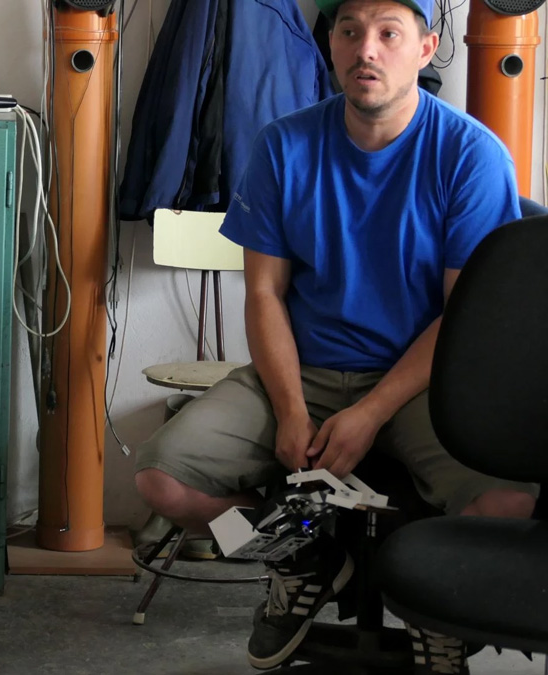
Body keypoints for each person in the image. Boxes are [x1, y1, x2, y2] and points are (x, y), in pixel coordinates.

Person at [132, 0, 540, 673]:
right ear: (330, 45)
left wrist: (370, 412)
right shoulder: (283, 145)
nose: (366, 49)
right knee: (163, 482)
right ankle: (302, 556)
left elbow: (462, 316)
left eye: (388, 33)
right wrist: (291, 408)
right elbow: (264, 294)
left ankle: (431, 609)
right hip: (305, 370)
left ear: (426, 47)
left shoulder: (470, 155)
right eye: (349, 32)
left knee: (509, 502)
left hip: (424, 381)